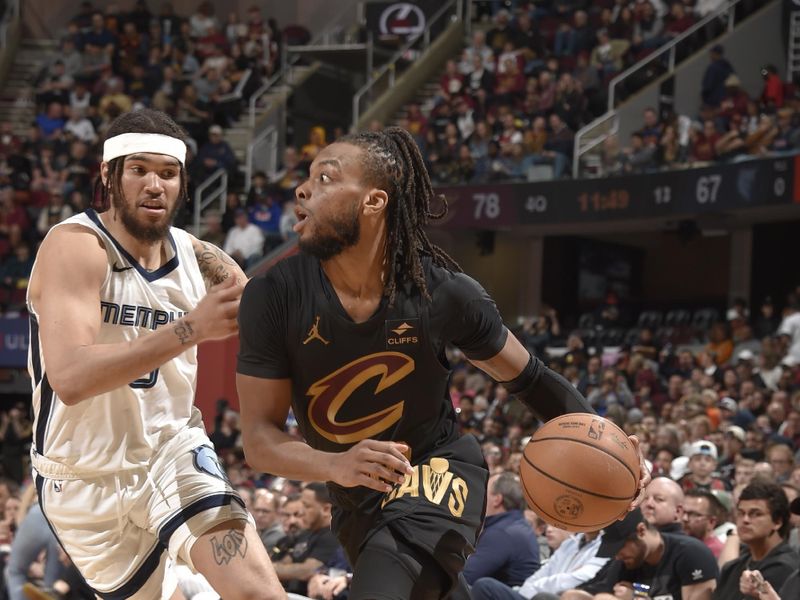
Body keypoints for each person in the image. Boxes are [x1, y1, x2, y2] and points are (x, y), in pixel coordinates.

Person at [235, 126, 650, 599]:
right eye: (308, 177)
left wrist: (614, 450)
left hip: (437, 472)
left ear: (374, 202)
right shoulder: (272, 294)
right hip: (355, 498)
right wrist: (337, 465)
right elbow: (260, 442)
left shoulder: (444, 293)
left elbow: (531, 379)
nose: (304, 188)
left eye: (327, 178)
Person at [26, 108, 284, 600]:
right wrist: (190, 328)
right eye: (138, 169)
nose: (154, 185)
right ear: (108, 175)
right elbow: (71, 377)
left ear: (183, 183)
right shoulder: (75, 246)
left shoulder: (201, 258)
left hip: (172, 452)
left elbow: (273, 328)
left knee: (259, 594)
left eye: (167, 173)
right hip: (81, 478)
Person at [565, 508, 718, 599]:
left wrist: (635, 596)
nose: (617, 556)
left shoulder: (691, 554)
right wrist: (639, 592)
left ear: (641, 530)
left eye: (619, 547)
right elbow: (646, 590)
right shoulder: (627, 560)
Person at [713, 480, 798, 599]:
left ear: (778, 521)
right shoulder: (732, 567)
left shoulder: (787, 568)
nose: (745, 520)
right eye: (741, 513)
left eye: (756, 514)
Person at [463, 472, 540, 587]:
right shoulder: (516, 525)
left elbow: (465, 576)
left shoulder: (503, 533)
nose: (479, 496)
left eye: (485, 491)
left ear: (497, 500)